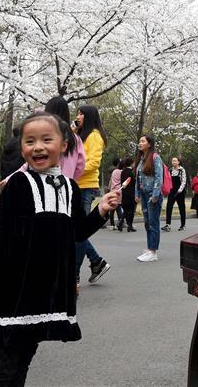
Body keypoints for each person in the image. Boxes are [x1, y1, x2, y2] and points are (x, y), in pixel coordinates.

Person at [0, 111, 120, 386]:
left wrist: (101, 210)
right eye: (29, 141)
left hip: (44, 291)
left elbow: (78, 232)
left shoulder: (70, 187)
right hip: (11, 288)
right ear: (22, 147)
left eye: (47, 139)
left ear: (64, 145)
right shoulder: (18, 184)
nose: (37, 147)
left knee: (23, 357)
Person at [74, 104, 110, 287]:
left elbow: (93, 162)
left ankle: (75, 274)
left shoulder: (94, 135)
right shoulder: (81, 134)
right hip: (76, 185)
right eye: (77, 113)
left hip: (85, 186)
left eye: (81, 114)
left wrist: (74, 169)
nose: (78, 116)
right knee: (77, 230)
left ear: (88, 116)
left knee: (79, 232)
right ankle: (96, 262)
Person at [134, 135, 164, 261]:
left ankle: (153, 252)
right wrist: (137, 194)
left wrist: (156, 195)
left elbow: (159, 176)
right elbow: (138, 178)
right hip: (144, 194)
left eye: (142, 141)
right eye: (139, 141)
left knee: (153, 223)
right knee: (147, 223)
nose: (140, 143)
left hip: (153, 195)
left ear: (149, 144)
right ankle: (150, 248)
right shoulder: (141, 158)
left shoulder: (155, 157)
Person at [163, 156, 187, 232]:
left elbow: (184, 181)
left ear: (178, 162)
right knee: (169, 206)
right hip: (172, 191)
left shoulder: (182, 170)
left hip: (180, 191)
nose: (173, 162)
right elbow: (168, 181)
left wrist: (179, 190)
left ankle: (183, 225)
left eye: (175, 161)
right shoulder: (170, 170)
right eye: (172, 161)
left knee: (181, 208)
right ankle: (168, 224)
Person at [118, 157, 137, 232]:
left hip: (124, 192)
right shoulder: (132, 172)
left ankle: (121, 222)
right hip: (132, 192)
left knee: (126, 209)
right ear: (132, 163)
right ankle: (130, 225)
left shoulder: (122, 172)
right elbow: (134, 182)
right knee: (131, 210)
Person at [107, 158, 124, 229]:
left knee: (112, 208)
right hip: (119, 191)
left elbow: (111, 181)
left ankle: (112, 224)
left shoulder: (114, 172)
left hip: (112, 190)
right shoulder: (121, 172)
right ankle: (120, 223)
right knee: (118, 207)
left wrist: (108, 189)